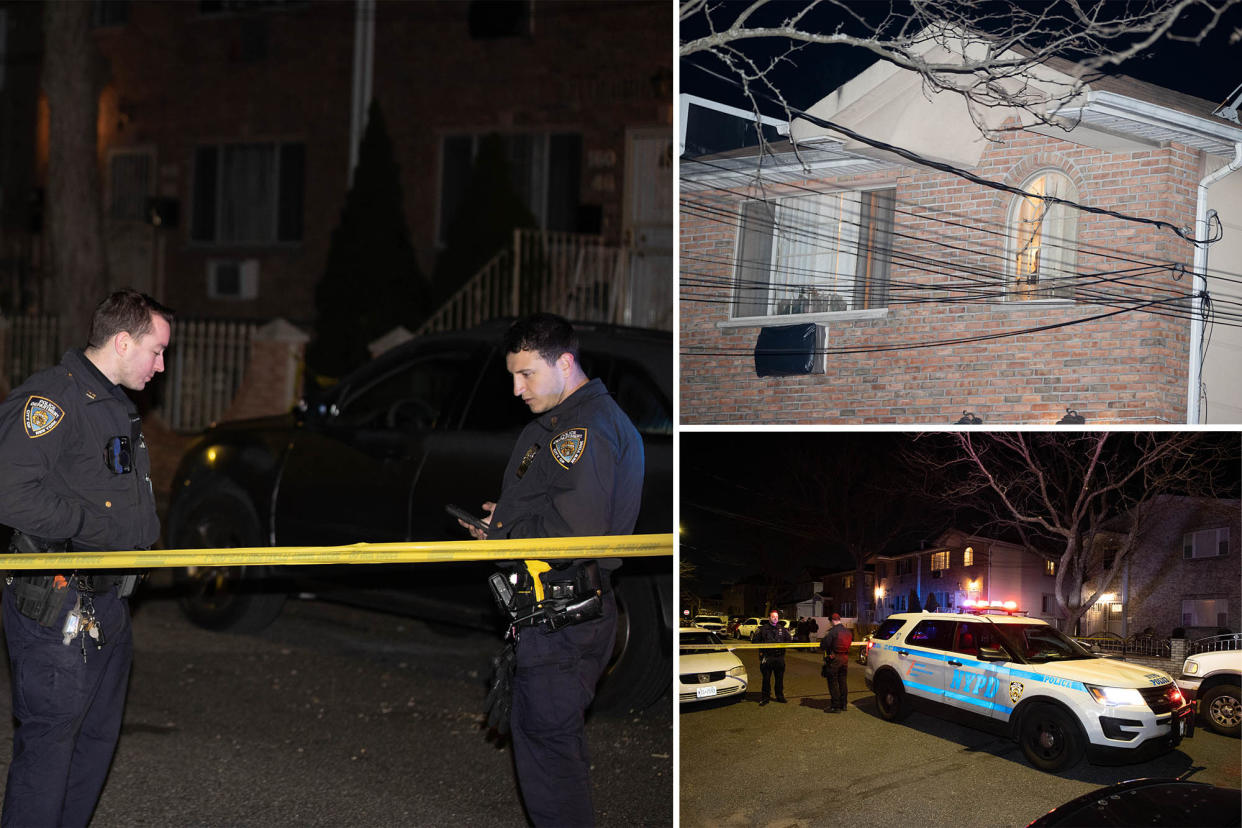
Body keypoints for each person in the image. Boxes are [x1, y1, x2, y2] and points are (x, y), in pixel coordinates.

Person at [459, 313, 643, 828]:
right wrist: (504, 522)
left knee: (550, 761)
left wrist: (505, 534)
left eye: (527, 375)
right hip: (551, 614)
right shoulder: (562, 422)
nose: (517, 389)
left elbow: (572, 532)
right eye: (512, 376)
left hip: (562, 619)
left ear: (564, 363)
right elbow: (553, 509)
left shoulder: (582, 429)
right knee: (547, 752)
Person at [0, 289, 173, 827]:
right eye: (157, 350)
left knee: (94, 745)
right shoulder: (54, 399)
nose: (162, 366)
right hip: (58, 610)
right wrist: (88, 527)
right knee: (50, 752)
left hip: (108, 606)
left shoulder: (112, 403)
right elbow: (9, 491)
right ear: (123, 341)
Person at [754, 610, 792, 705]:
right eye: (773, 616)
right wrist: (765, 645)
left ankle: (780, 696)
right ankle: (765, 698)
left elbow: (789, 640)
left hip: (779, 658)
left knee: (779, 679)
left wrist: (782, 645)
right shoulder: (762, 629)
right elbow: (754, 642)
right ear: (769, 618)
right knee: (766, 679)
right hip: (767, 658)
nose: (775, 618)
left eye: (777, 617)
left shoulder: (782, 629)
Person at [820, 612, 853, 713]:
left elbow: (824, 645)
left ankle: (835, 706)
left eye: (830, 622)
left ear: (832, 621)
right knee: (842, 681)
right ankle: (844, 704)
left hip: (834, 659)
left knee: (833, 682)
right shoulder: (848, 632)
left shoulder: (833, 632)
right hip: (845, 659)